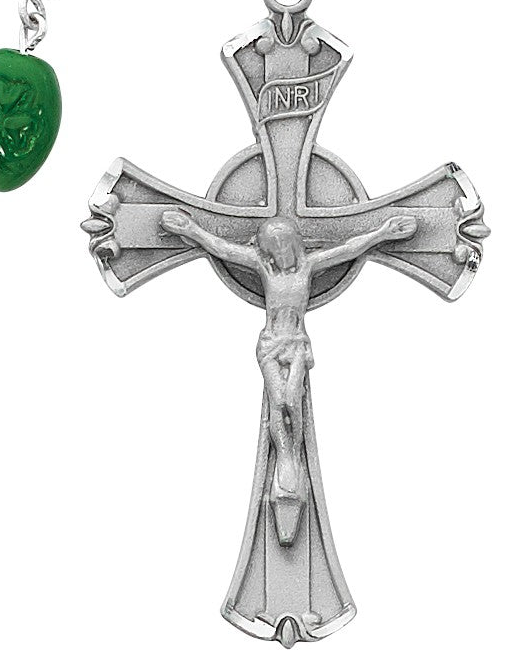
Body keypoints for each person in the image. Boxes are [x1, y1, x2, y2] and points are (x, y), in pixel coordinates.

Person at [161, 210, 417, 500]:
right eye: (274, 246)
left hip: (296, 344)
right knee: (279, 401)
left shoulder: (309, 266)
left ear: (296, 243)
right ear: (266, 250)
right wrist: (191, 229)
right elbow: (223, 248)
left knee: (292, 402)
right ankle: (284, 457)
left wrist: (382, 234)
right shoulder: (263, 268)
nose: (281, 251)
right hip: (271, 344)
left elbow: (348, 249)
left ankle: (292, 455)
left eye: (286, 244)